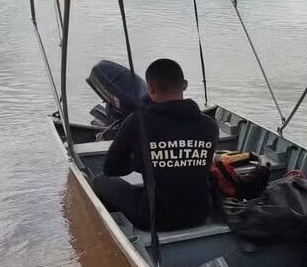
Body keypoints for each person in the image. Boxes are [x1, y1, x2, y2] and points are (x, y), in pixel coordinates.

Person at [92, 58, 218, 232]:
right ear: (185, 85)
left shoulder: (137, 121)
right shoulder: (209, 125)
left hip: (155, 219)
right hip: (200, 214)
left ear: (150, 89)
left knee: (100, 181)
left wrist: (141, 162)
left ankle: (114, 231)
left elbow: (112, 169)